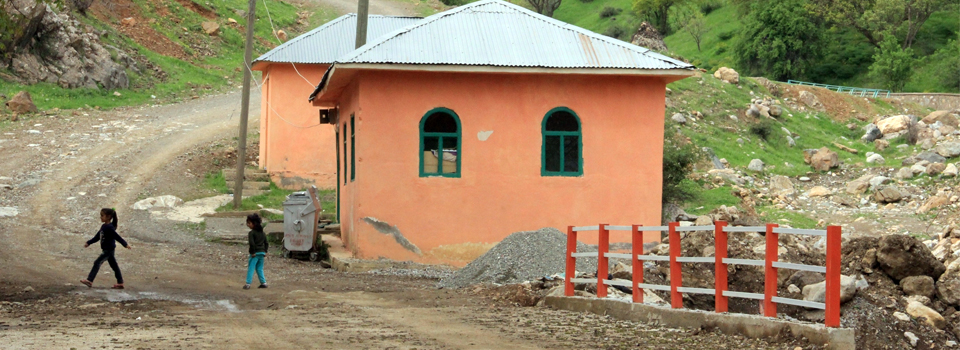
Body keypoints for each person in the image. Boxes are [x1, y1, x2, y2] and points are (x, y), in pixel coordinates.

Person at [80, 208, 131, 289]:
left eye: (102, 215)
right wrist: (89, 242)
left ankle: (89, 280)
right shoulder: (104, 226)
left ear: (108, 217)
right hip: (108, 250)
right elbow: (97, 237)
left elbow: (117, 237)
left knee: (97, 262)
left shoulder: (109, 228)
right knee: (114, 266)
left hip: (108, 250)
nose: (101, 217)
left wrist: (125, 244)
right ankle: (120, 282)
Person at [244, 213, 268, 290]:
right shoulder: (263, 233)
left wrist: (252, 252)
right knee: (259, 268)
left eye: (249, 223)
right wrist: (265, 251)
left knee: (251, 268)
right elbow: (266, 243)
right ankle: (263, 282)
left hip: (255, 253)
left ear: (254, 224)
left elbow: (252, 243)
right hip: (262, 253)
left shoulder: (251, 233)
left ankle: (248, 284)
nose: (247, 224)